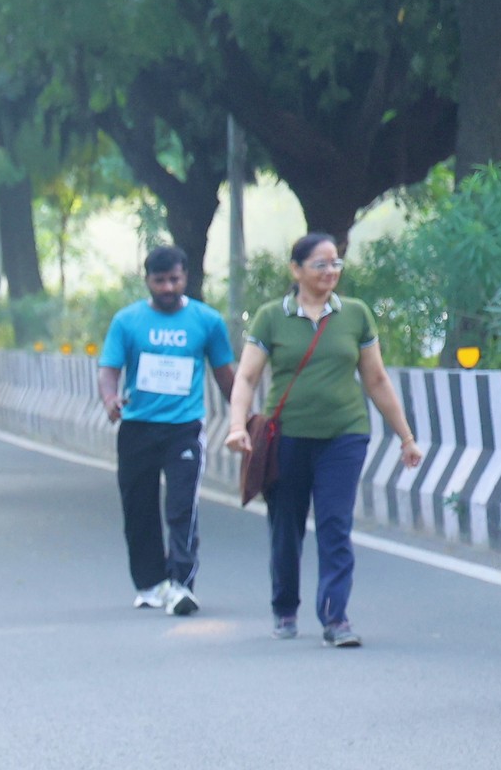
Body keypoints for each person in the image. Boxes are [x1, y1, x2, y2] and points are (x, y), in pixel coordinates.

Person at [224, 233, 423, 645]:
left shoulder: (355, 314)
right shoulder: (271, 317)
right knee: (286, 527)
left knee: (335, 525)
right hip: (286, 437)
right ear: (296, 270)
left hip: (344, 435)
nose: (330, 272)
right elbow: (246, 376)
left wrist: (406, 437)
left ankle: (336, 618)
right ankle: (284, 608)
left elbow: (376, 378)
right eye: (320, 264)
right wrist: (237, 426)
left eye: (336, 264)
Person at [99, 247, 236, 614]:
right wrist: (110, 398)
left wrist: (244, 420)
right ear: (147, 280)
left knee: (181, 506)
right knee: (138, 507)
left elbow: (225, 375)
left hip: (184, 428)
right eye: (159, 281)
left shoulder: (207, 321)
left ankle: (181, 584)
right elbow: (109, 369)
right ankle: (150, 584)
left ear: (185, 277)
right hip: (138, 427)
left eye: (174, 279)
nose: (168, 287)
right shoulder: (127, 321)